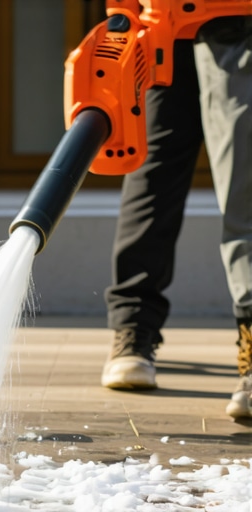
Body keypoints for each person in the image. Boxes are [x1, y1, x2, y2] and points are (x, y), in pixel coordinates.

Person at [101, 16, 252, 419]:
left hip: (237, 22)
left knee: (246, 184)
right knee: (151, 175)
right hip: (163, 26)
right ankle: (133, 332)